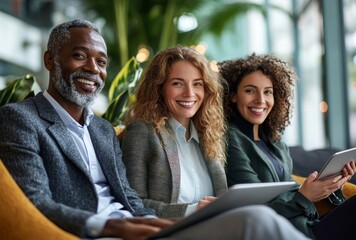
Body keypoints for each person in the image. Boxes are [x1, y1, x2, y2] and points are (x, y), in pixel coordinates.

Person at [0, 19, 308, 240]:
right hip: (100, 232)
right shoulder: (20, 119)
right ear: (50, 60)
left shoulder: (102, 130)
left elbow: (131, 199)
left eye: (101, 61)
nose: (93, 68)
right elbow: (33, 203)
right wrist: (109, 226)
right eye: (80, 56)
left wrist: (152, 222)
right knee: (256, 220)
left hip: (145, 229)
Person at [121, 46, 309, 239]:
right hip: (170, 231)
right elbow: (133, 203)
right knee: (257, 218)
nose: (189, 93)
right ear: (159, 87)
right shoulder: (143, 131)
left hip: (215, 226)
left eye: (197, 84)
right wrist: (192, 209)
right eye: (178, 84)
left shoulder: (209, 134)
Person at [219, 53, 356, 240]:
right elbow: (254, 210)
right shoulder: (231, 138)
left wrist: (333, 185)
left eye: (268, 91)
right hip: (287, 232)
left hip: (308, 223)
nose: (261, 100)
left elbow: (290, 194)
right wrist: (304, 196)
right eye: (250, 90)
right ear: (233, 96)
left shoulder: (274, 142)